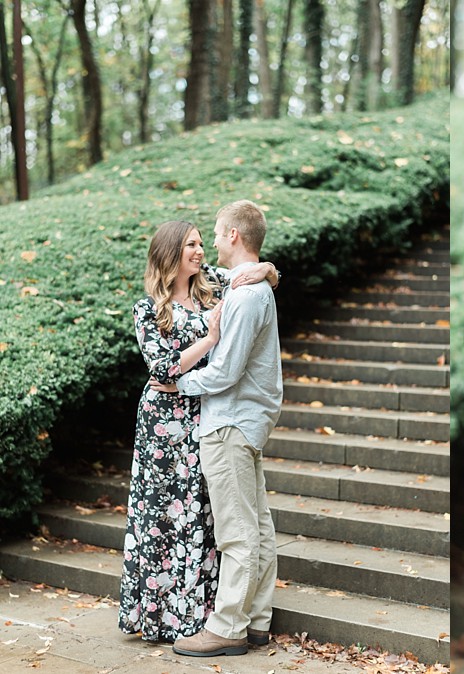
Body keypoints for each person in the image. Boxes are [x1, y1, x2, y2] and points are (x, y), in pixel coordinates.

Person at [119, 220, 279, 643]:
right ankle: (162, 616)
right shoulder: (146, 309)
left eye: (201, 242)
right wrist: (209, 340)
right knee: (164, 516)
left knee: (205, 517)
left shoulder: (214, 286)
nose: (200, 250)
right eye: (190, 244)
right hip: (164, 422)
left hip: (208, 412)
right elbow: (161, 370)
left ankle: (204, 615)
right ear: (170, 252)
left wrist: (269, 268)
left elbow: (256, 272)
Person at [158, 200, 284, 658]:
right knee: (260, 529)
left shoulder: (249, 294)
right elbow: (200, 267)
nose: (209, 243)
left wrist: (179, 382)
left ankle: (229, 625)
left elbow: (226, 370)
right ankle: (257, 621)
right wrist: (270, 268)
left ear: (233, 235)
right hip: (244, 421)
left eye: (214, 233)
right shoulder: (246, 284)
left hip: (229, 421)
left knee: (237, 532)